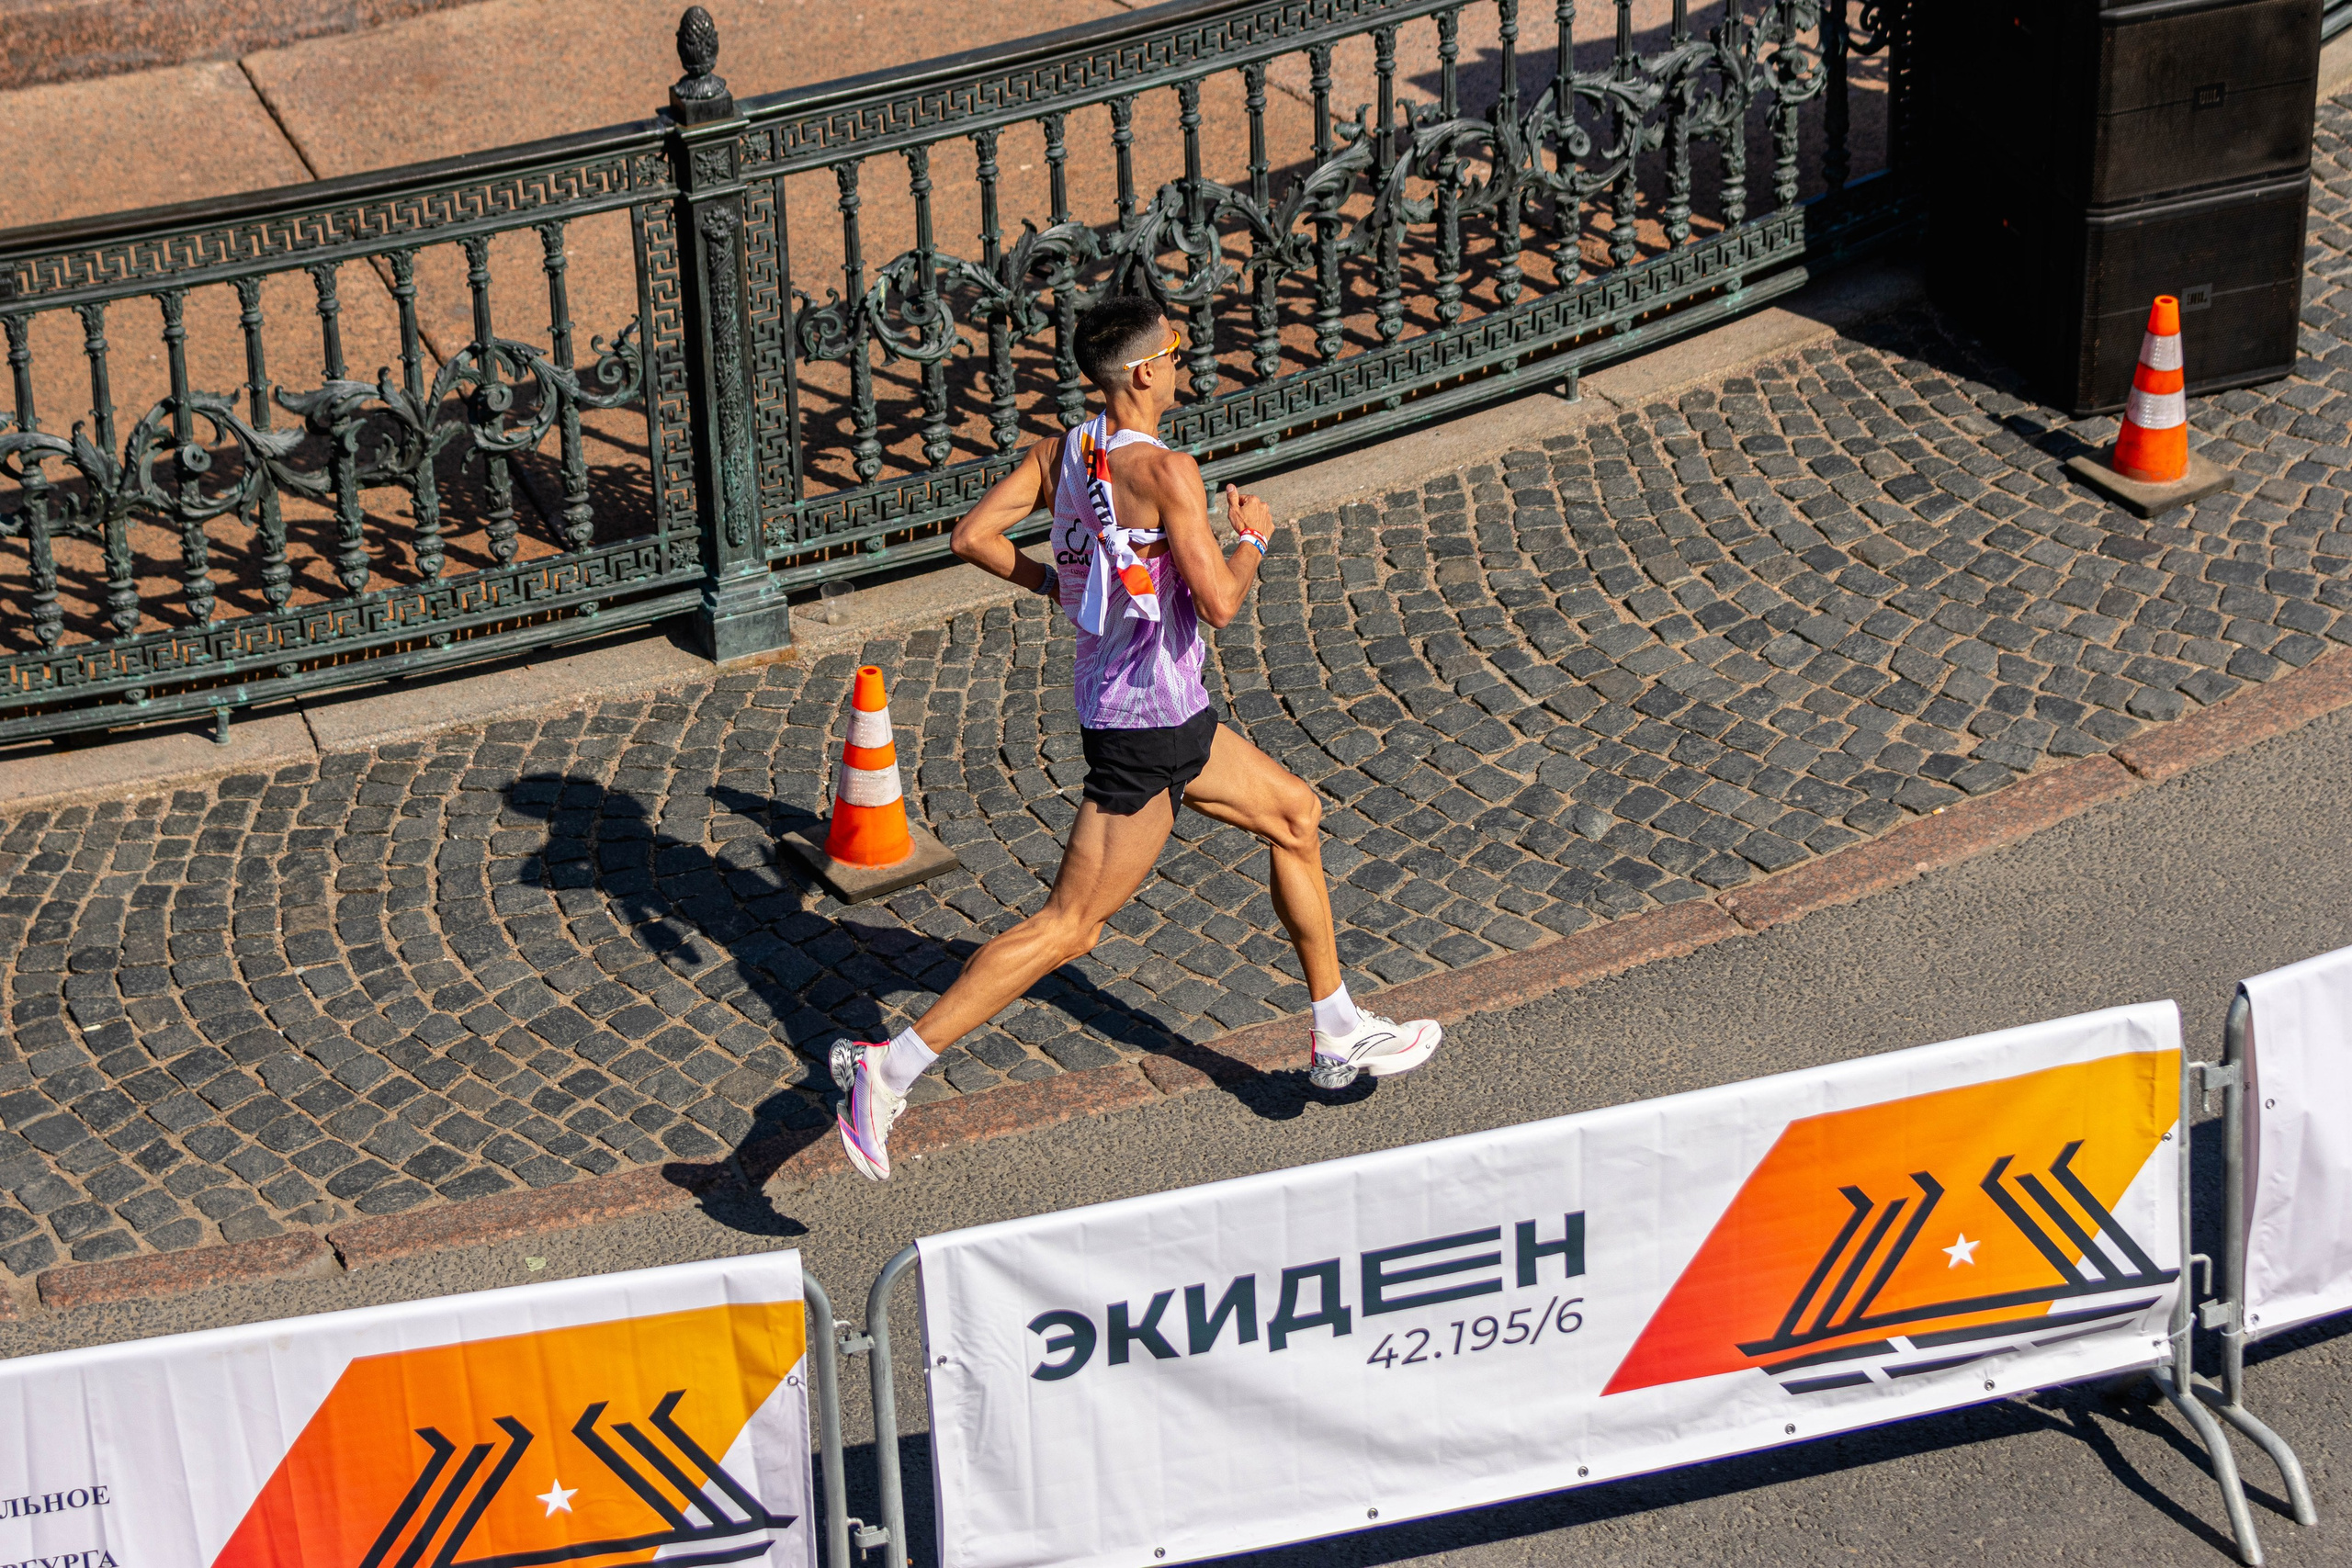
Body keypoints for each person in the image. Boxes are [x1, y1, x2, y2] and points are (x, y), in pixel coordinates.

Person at [831, 296, 1442, 1179]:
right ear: (1145, 372)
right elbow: (1223, 604)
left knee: (1296, 815)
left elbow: (972, 536)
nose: (1187, 364)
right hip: (1143, 732)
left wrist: (1058, 587)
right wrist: (1253, 539)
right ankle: (885, 1070)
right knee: (1068, 926)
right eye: (1180, 352)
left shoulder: (1063, 452)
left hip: (1163, 711)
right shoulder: (1168, 473)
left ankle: (1337, 1029)